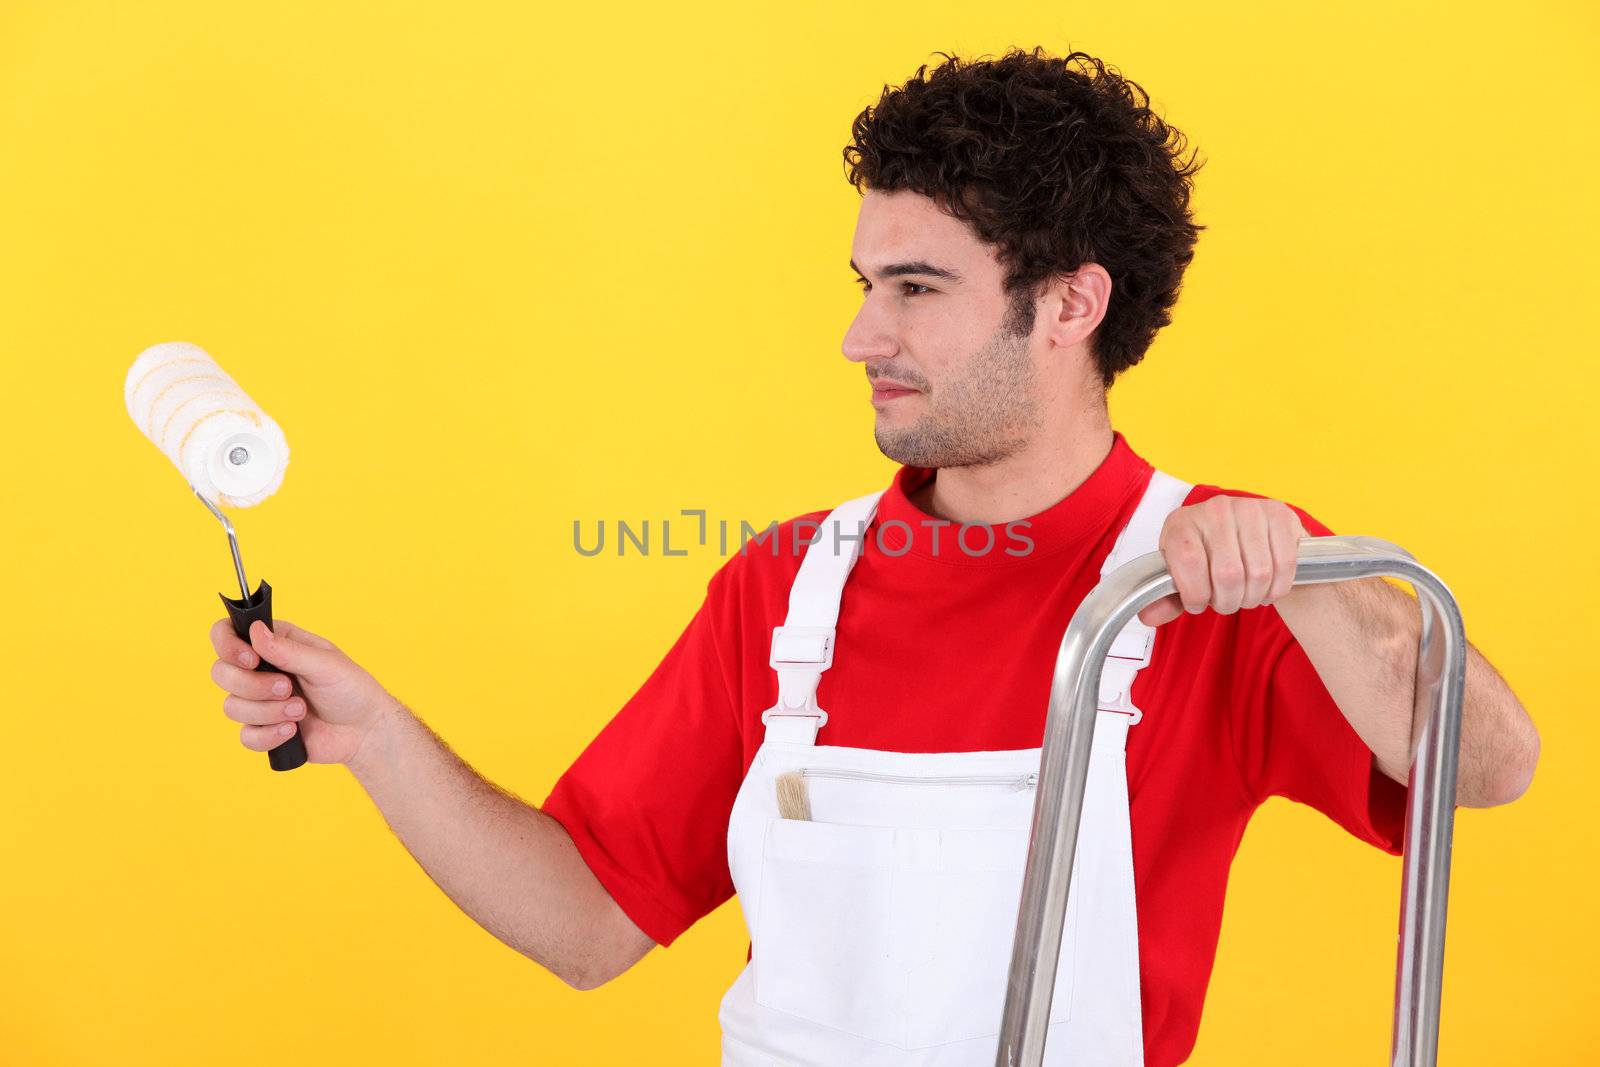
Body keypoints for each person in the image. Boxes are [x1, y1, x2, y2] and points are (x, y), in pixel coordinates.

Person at [206, 46, 1540, 1066]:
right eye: (863, 282)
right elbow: (585, 925)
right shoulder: (787, 591)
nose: (861, 336)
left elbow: (1491, 766)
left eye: (916, 288)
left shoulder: (1214, 575)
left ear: (1073, 303)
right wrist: (375, 735)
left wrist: (1318, 591)